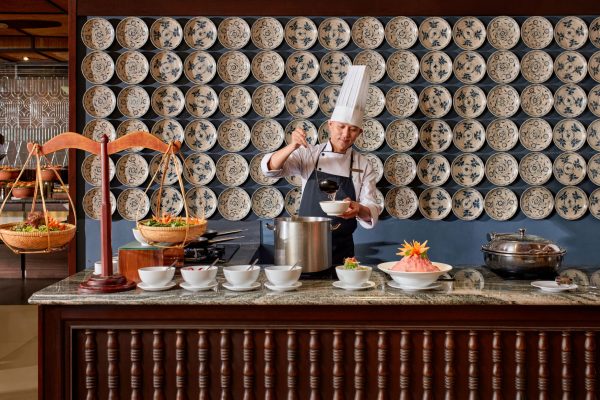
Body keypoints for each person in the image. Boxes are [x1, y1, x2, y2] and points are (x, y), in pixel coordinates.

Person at [261, 66, 382, 266]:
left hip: (342, 251)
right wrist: (292, 146)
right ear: (330, 125)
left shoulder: (363, 165)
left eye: (353, 129)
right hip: (304, 247)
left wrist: (358, 208)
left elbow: (372, 207)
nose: (346, 134)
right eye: (341, 127)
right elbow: (270, 169)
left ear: (360, 133)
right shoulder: (308, 153)